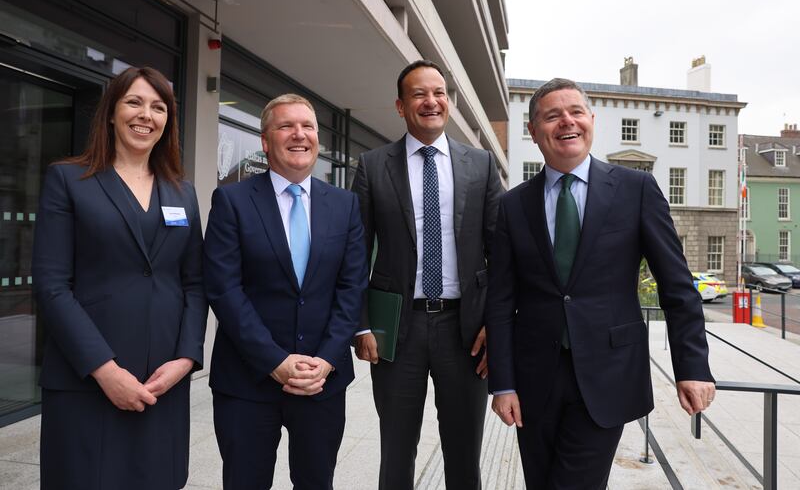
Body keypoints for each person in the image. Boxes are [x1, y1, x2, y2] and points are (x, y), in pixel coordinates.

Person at [486, 78, 716, 488]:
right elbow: (501, 301)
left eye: (575, 112)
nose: (566, 122)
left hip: (609, 374)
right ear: (534, 131)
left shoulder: (636, 190)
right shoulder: (512, 205)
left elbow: (677, 285)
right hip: (533, 379)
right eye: (552, 116)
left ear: (591, 121)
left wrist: (692, 366)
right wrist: (502, 384)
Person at [31, 66, 207, 490]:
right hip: (87, 381)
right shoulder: (69, 180)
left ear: (168, 121)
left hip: (161, 382)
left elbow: (195, 284)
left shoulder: (182, 192)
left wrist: (185, 359)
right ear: (111, 112)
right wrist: (105, 370)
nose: (146, 115)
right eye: (134, 102)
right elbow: (52, 285)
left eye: (158, 107)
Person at [352, 60, 503, 490]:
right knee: (396, 450)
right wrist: (361, 324)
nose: (431, 101)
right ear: (401, 106)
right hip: (398, 329)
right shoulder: (373, 165)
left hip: (467, 329)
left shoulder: (481, 165)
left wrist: (497, 322)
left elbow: (501, 255)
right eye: (419, 94)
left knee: (464, 451)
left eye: (439, 93)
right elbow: (354, 254)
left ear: (449, 103)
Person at [204, 93, 368, 490]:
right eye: (286, 126)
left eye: (308, 126)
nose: (300, 134)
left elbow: (352, 288)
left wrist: (327, 360)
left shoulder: (344, 205)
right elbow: (224, 289)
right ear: (265, 140)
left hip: (321, 381)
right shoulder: (232, 199)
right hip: (247, 381)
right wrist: (273, 360)